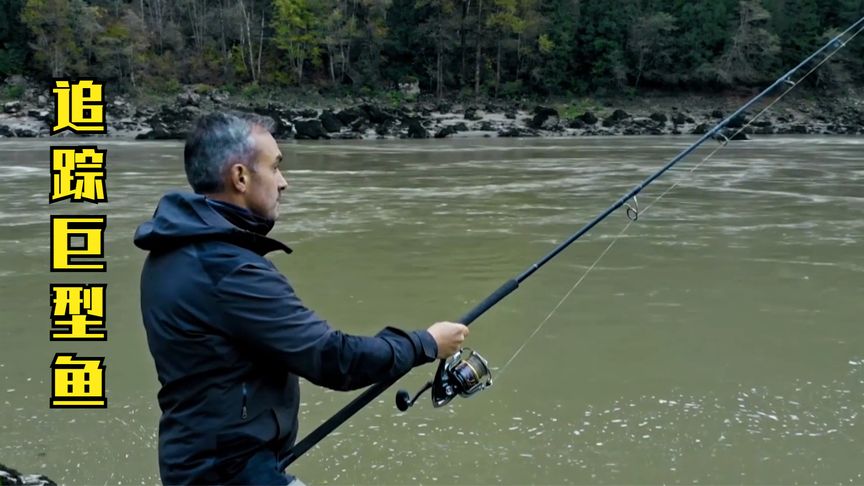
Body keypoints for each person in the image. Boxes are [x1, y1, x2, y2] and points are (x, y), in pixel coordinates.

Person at [134, 112, 469, 485]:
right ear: (241, 177)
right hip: (229, 474)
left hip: (200, 464)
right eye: (275, 167)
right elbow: (333, 359)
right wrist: (425, 343)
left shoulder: (171, 251)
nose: (283, 182)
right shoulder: (227, 269)